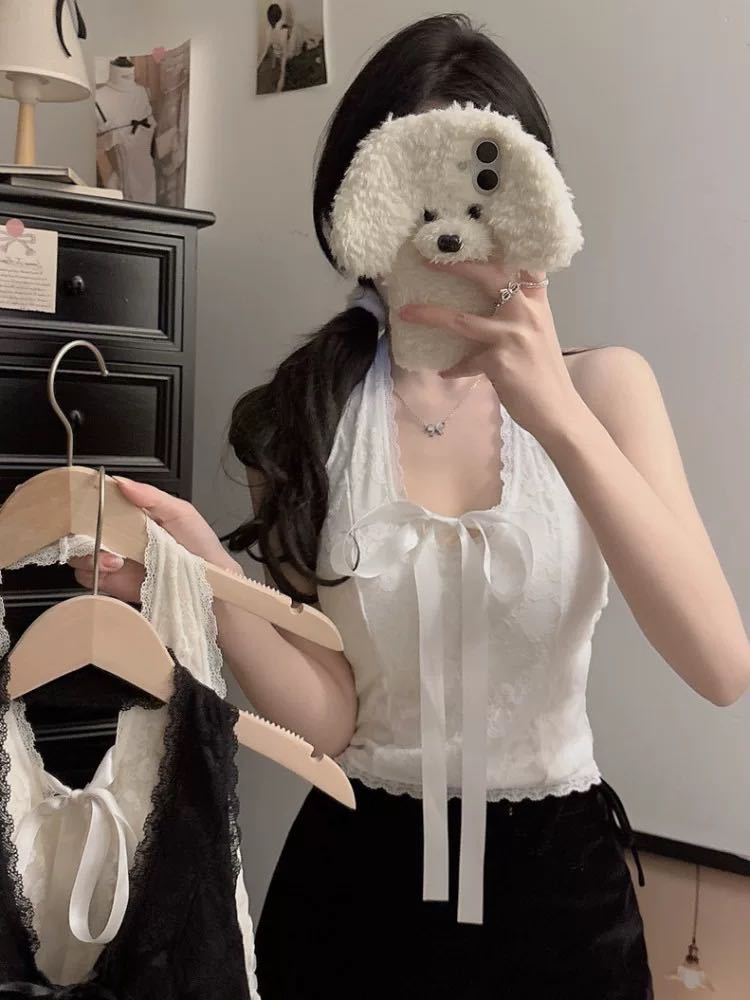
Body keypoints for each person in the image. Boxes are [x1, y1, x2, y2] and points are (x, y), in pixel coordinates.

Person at [70, 13, 750, 999]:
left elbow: (720, 665)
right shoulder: (304, 414)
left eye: (482, 186)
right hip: (352, 890)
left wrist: (555, 413)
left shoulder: (606, 389)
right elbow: (336, 720)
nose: (447, 231)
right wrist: (207, 578)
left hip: (560, 897)